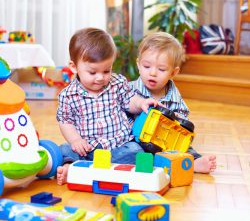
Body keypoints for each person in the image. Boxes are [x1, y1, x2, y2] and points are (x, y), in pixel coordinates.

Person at [56, 28, 157, 185]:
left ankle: (86, 171)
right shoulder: (68, 95)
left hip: (118, 147)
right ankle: (75, 167)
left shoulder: (117, 83)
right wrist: (75, 140)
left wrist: (141, 103)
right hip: (87, 149)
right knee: (64, 150)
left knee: (136, 151)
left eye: (106, 70)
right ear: (74, 67)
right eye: (92, 72)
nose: (100, 77)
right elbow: (65, 121)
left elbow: (130, 100)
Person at [130, 32, 216, 173]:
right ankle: (158, 164)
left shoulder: (174, 96)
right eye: (146, 67)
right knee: (132, 150)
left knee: (185, 149)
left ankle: (193, 163)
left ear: (173, 73)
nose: (152, 73)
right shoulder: (130, 90)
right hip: (138, 141)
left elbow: (183, 119)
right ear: (138, 64)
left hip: (165, 142)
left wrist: (175, 119)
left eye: (161, 69)